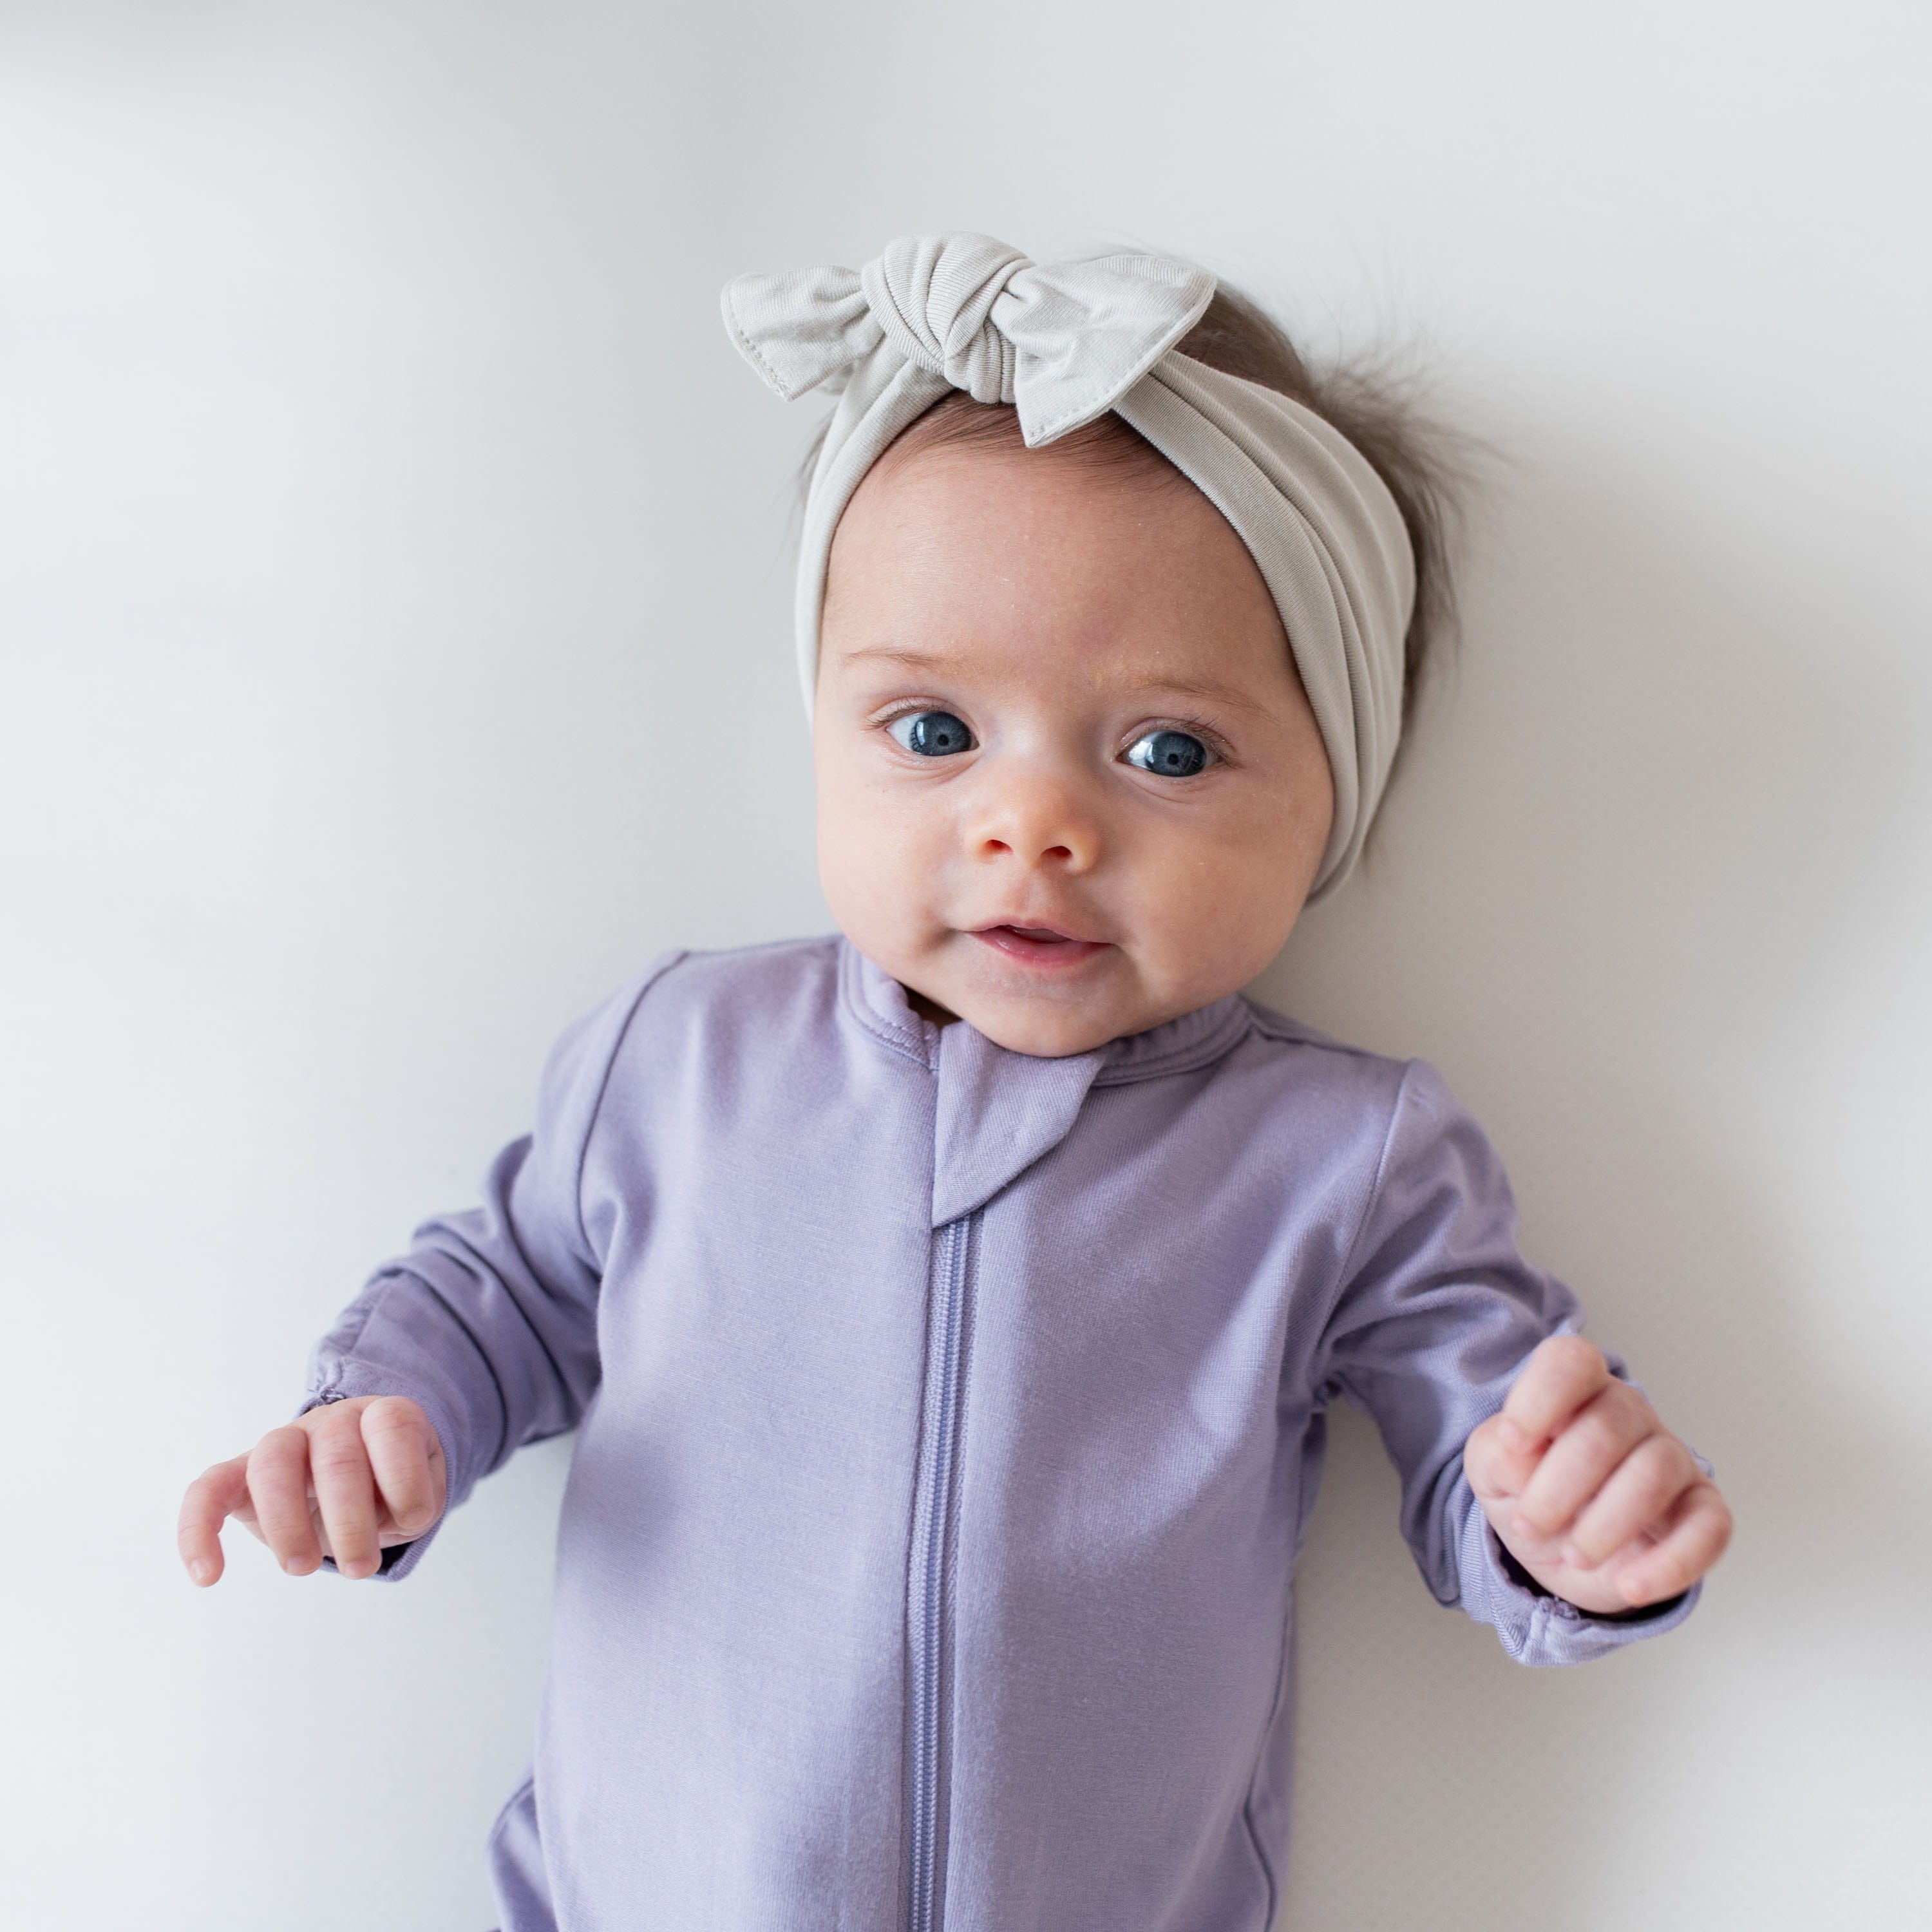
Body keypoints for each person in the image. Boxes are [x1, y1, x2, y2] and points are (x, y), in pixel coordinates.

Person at [177, 232, 1732, 1931]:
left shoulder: (1339, 1162)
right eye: (932, 733)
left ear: (1333, 799)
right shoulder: (682, 1060)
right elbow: (501, 1288)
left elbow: (1481, 1433)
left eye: (1167, 752)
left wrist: (1559, 1525)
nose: (1032, 825)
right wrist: (380, 1415)